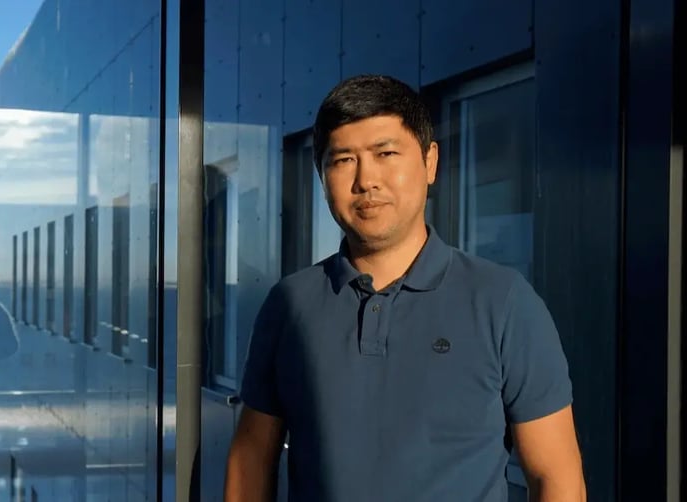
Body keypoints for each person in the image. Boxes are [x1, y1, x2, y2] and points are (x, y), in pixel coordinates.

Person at [224, 75, 585, 501]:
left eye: (386, 153)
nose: (366, 180)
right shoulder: (289, 305)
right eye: (343, 160)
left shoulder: (503, 302)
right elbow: (250, 459)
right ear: (322, 175)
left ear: (430, 161)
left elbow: (556, 476)